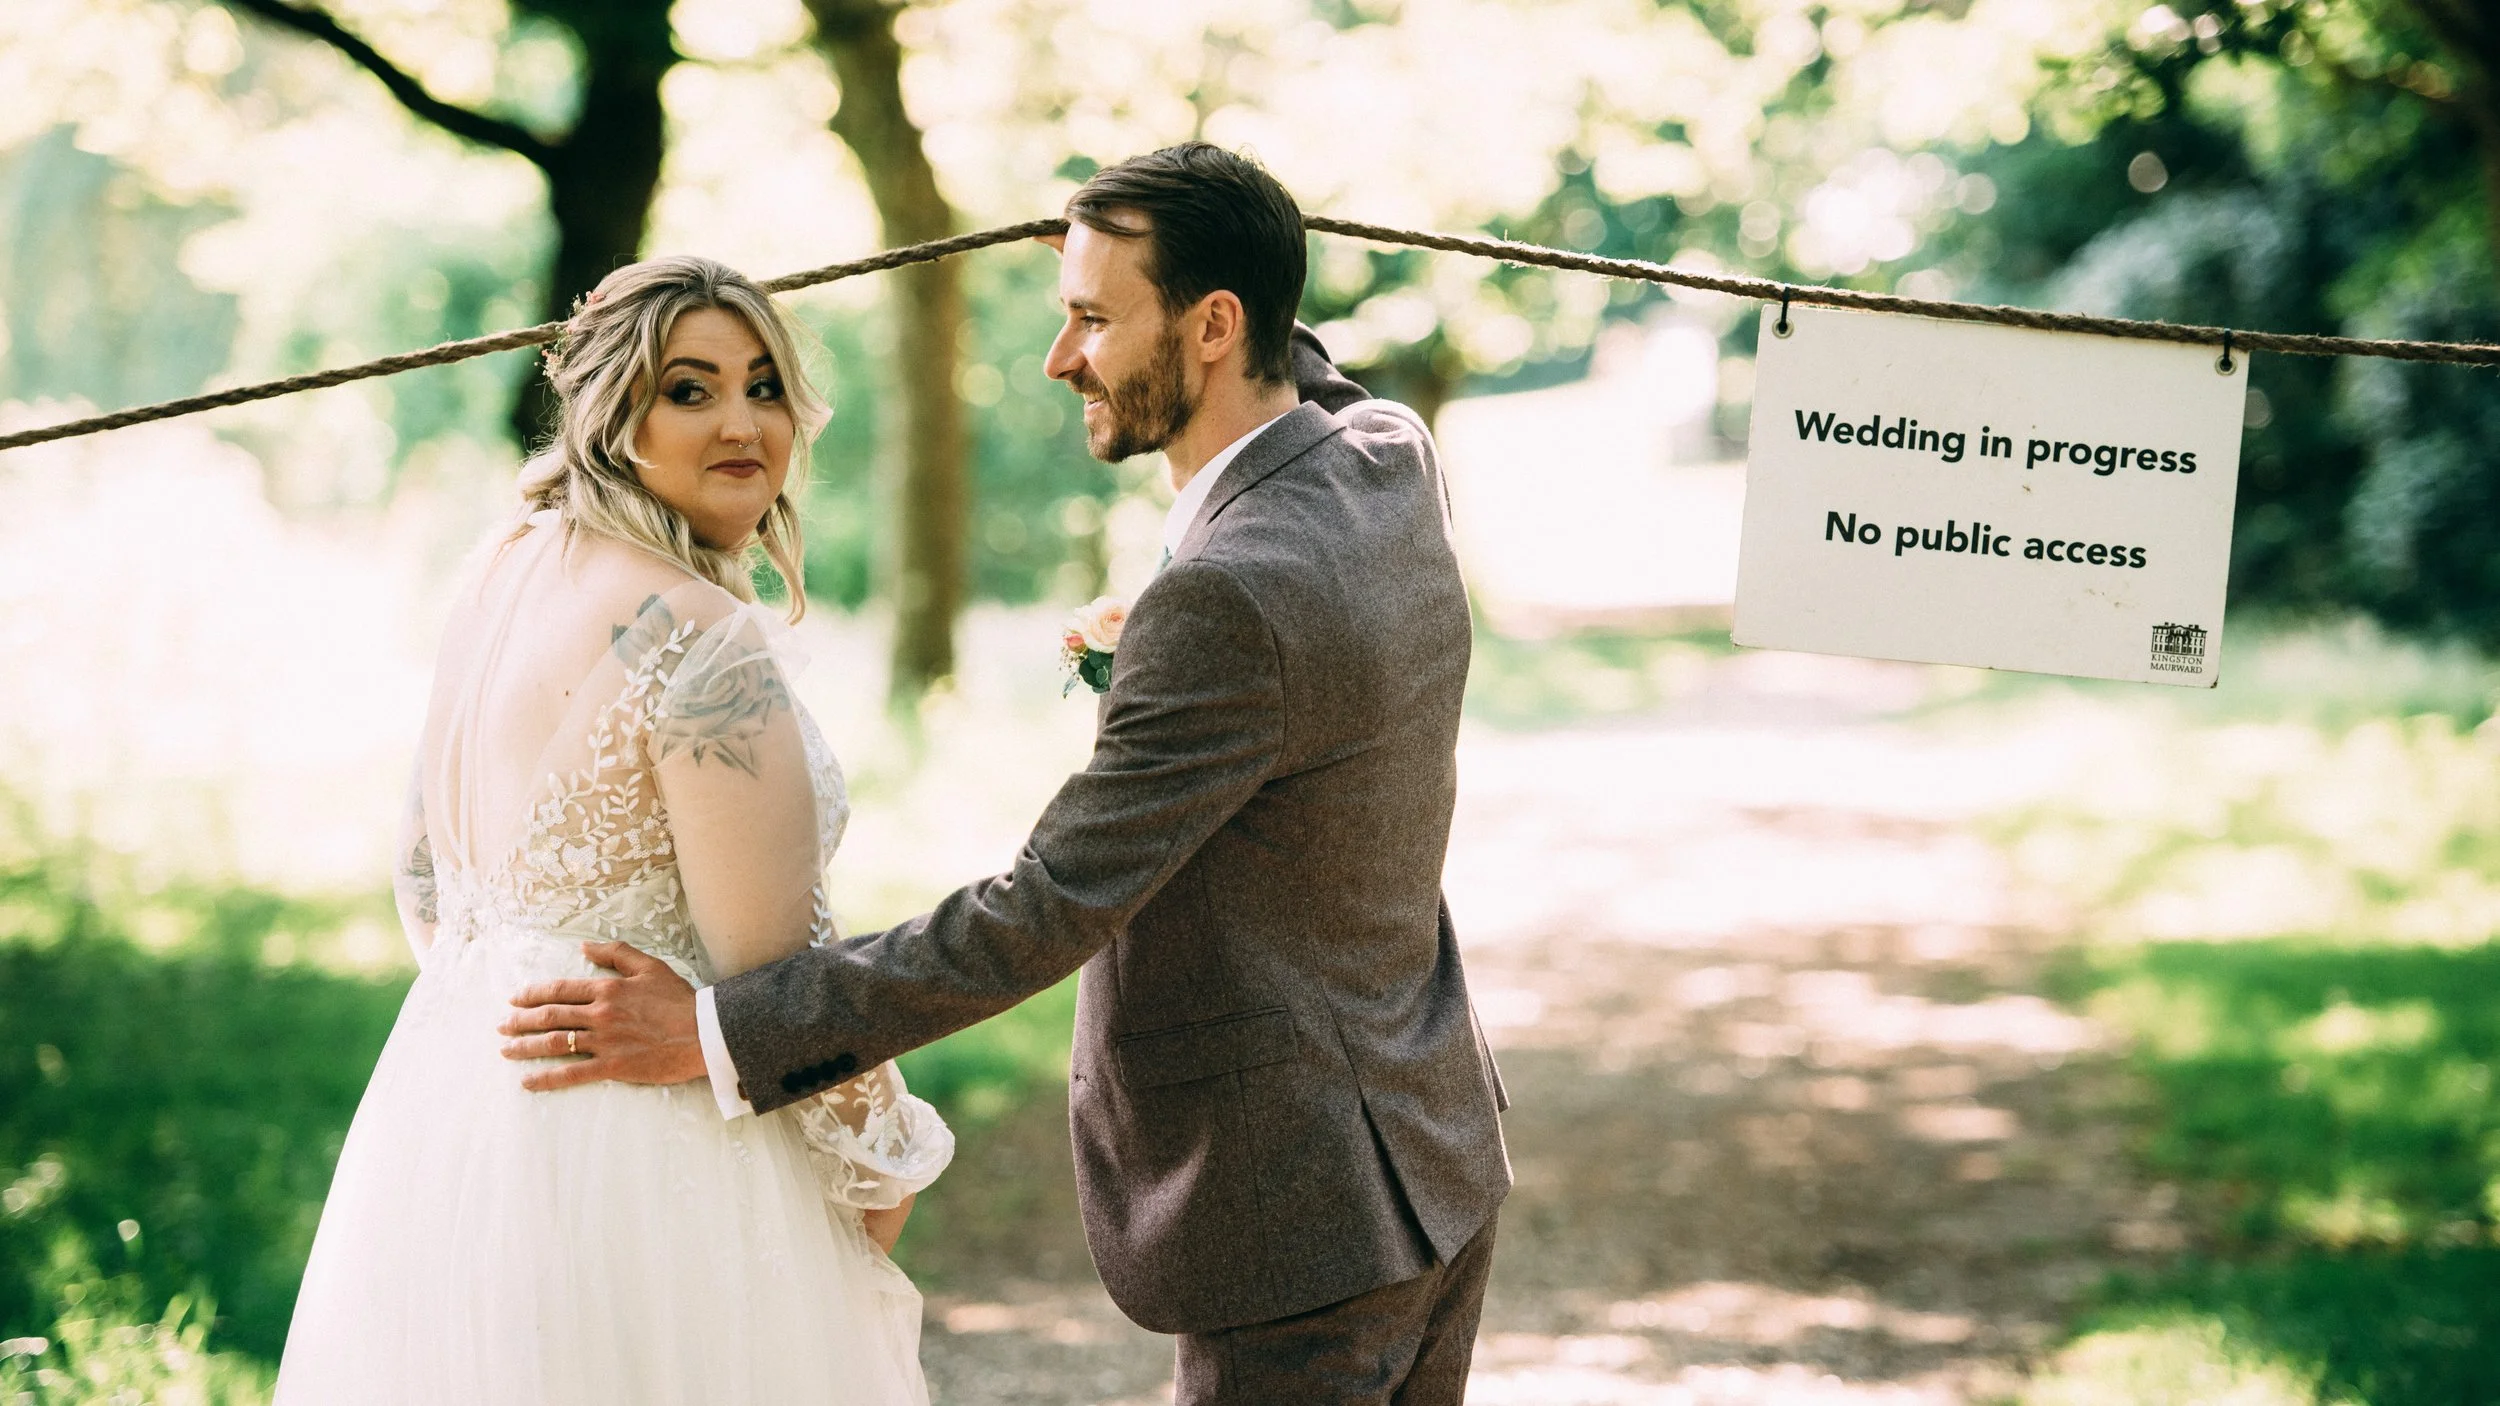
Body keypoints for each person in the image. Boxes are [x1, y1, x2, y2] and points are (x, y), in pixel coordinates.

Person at [509, 142, 1511, 1404]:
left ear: (1212, 325)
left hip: (1308, 1221)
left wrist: (718, 1027)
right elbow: (1296, 358)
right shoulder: (1381, 455)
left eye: (1091, 319)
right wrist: (1152, 241)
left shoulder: (1225, 595)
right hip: (1433, 1153)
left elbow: (1041, 909)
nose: (1059, 357)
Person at [275, 255, 953, 1406]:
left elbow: (427, 881)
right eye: (687, 390)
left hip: (456, 1124)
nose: (742, 423)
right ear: (610, 413)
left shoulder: (503, 567)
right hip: (651, 1150)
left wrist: (503, 994)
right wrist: (884, 1154)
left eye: (764, 386)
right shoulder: (697, 635)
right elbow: (775, 978)